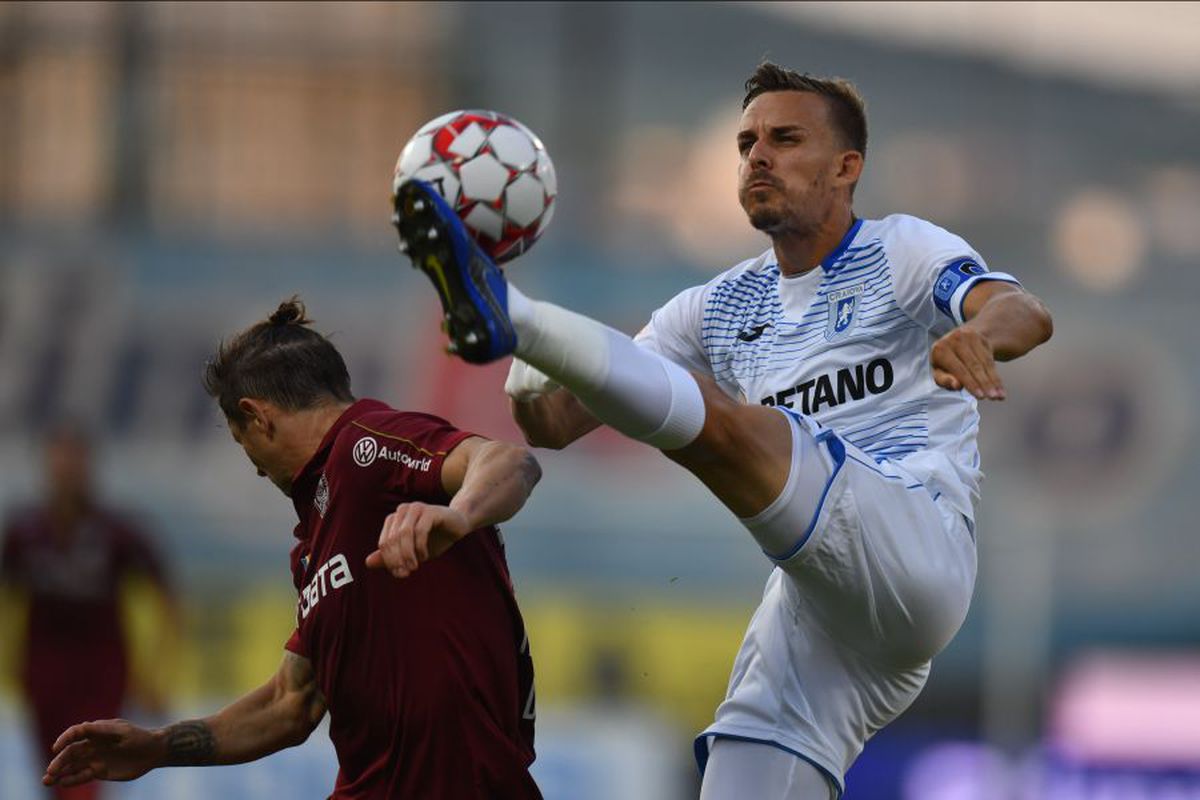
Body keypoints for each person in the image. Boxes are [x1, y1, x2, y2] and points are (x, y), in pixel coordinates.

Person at [391, 62, 1053, 798]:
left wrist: (981, 335)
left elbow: (1023, 310)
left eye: (786, 138)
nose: (758, 156)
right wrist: (525, 362)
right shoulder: (716, 306)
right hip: (816, 604)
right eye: (746, 143)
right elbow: (555, 423)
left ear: (846, 167)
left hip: (917, 540)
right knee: (747, 770)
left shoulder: (899, 249)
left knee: (744, 433)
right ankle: (514, 318)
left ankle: (513, 311)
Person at [41, 299, 544, 799]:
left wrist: (458, 516)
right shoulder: (312, 550)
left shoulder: (366, 448)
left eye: (244, 445)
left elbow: (509, 462)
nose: (257, 468)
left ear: (256, 417)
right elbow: (292, 701)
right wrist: (157, 747)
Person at [1, 424, 175, 800]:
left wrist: (155, 675)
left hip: (101, 673)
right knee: (53, 776)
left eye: (74, 460)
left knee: (84, 776)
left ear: (89, 467)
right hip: (42, 671)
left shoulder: (117, 532)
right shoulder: (24, 530)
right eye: (59, 460)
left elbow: (166, 597)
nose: (67, 470)